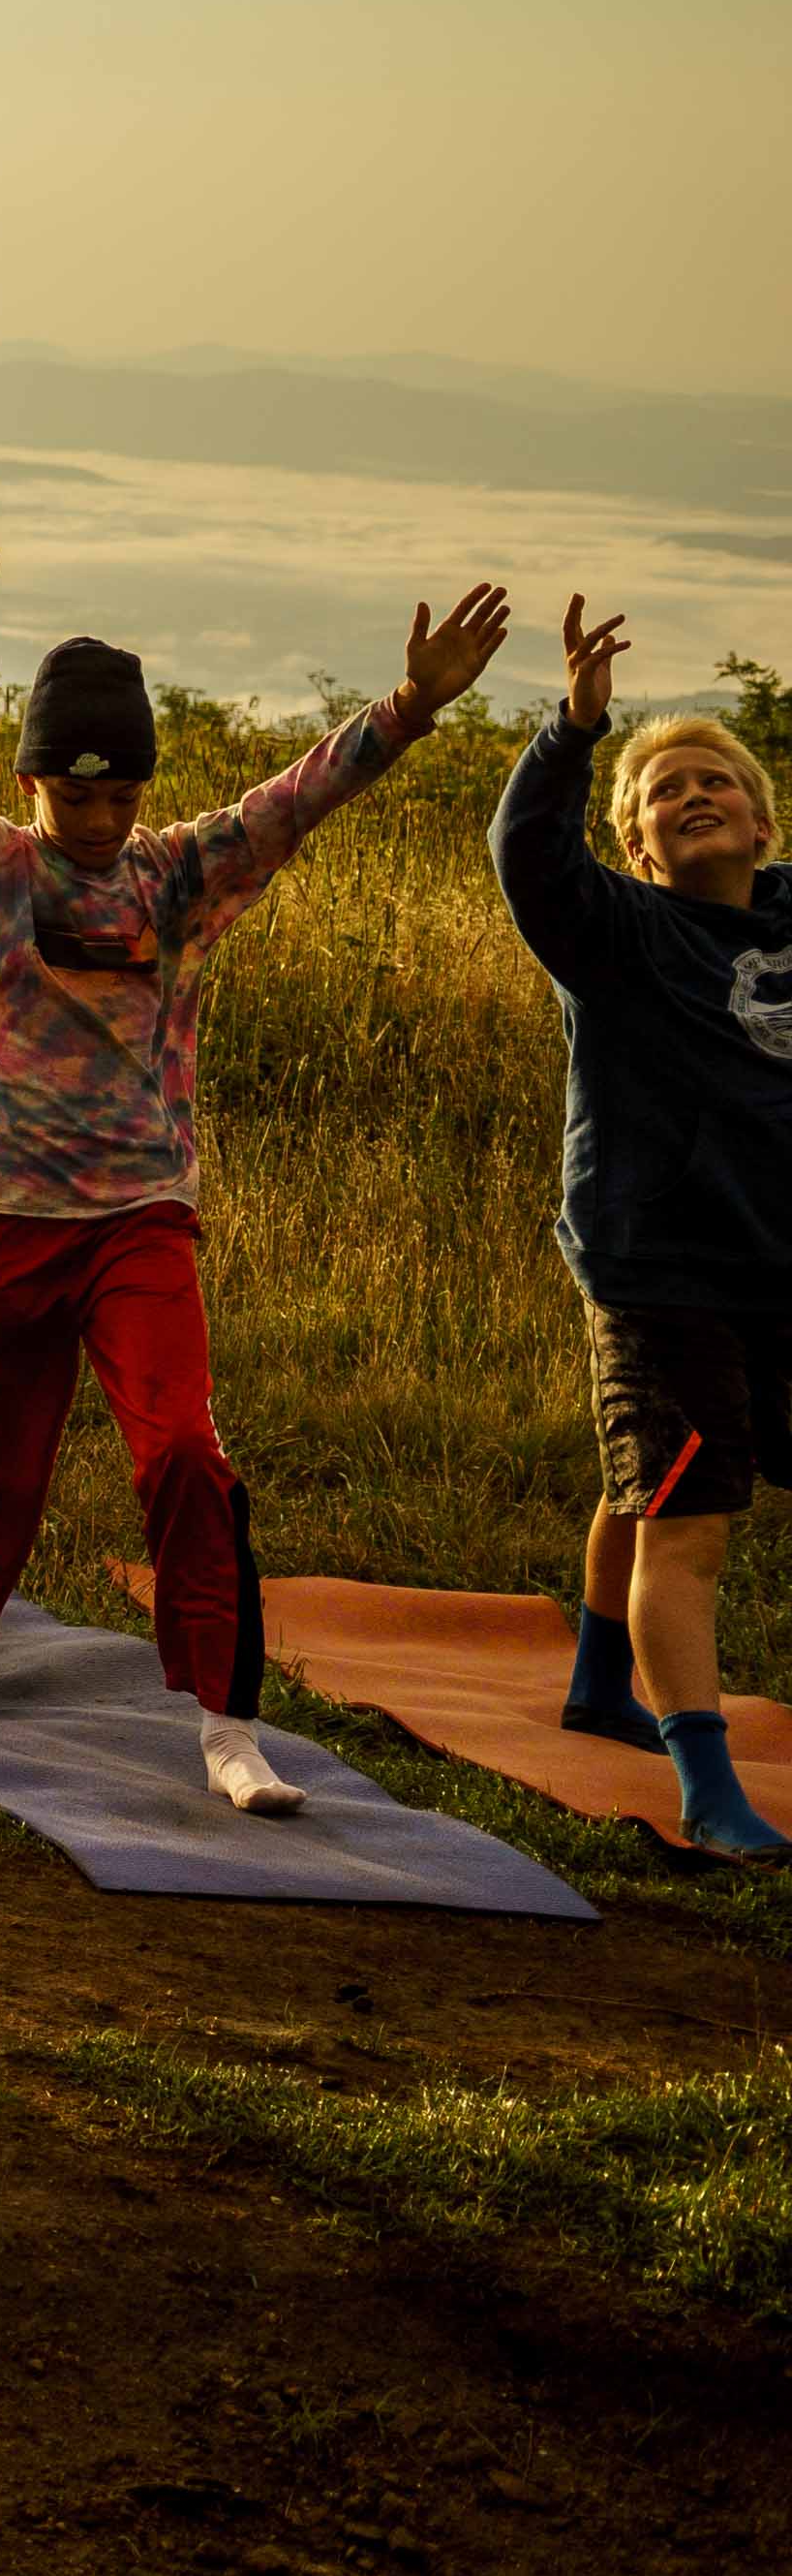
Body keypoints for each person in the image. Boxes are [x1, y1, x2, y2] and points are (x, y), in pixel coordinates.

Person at [0, 531, 507, 1808]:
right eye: (73, 793)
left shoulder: (179, 876)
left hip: (137, 1223)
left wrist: (414, 707)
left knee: (181, 1456)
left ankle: (227, 1723)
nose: (98, 821)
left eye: (120, 796)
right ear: (37, 779)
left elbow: (298, 795)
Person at [499, 602, 788, 1858]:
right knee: (690, 1513)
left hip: (779, 1269)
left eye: (718, 778)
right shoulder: (615, 932)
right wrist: (576, 727)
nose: (695, 793)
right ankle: (709, 1789)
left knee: (657, 1480)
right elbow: (527, 856)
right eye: (665, 787)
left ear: (765, 821)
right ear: (633, 834)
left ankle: (597, 1682)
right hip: (658, 1268)